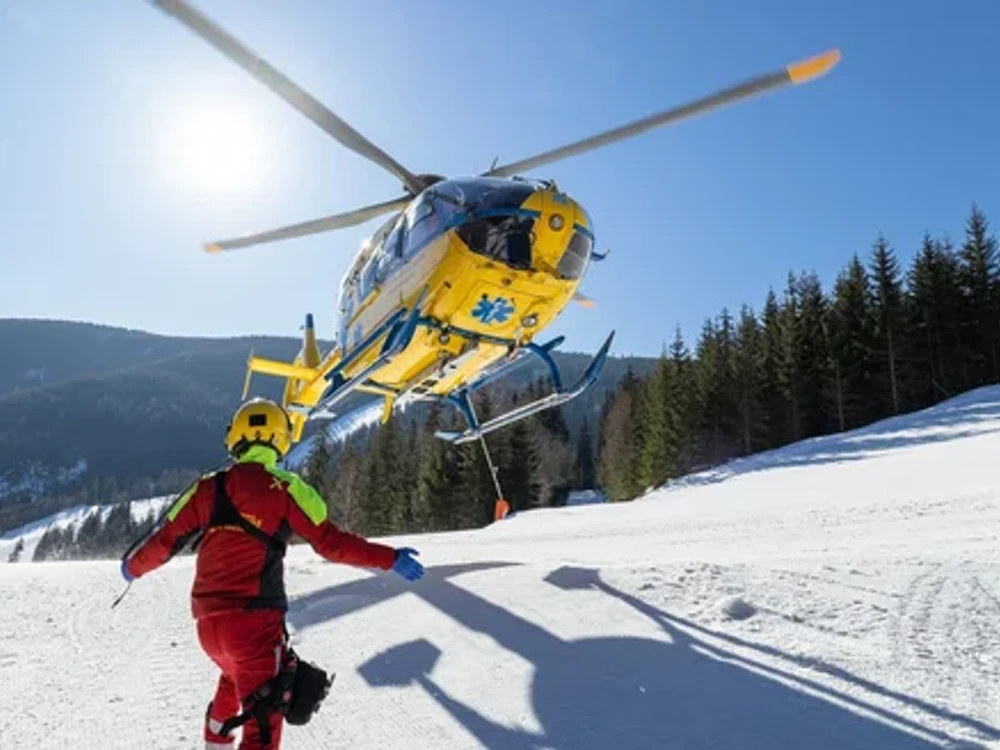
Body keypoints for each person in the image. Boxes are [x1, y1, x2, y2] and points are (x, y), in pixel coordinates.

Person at [121, 397, 424, 749]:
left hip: (208, 628)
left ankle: (213, 744)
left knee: (232, 680)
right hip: (254, 626)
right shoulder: (286, 489)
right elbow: (331, 544)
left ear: (234, 438)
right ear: (280, 439)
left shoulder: (207, 488)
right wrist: (389, 558)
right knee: (264, 721)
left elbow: (165, 541)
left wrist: (132, 568)